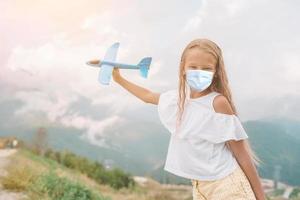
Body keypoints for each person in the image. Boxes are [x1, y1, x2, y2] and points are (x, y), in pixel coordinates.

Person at [89, 38, 266, 200]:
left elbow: (242, 154)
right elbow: (147, 96)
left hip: (227, 186)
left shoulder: (218, 103)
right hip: (200, 188)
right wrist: (118, 78)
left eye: (207, 69)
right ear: (183, 68)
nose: (199, 73)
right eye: (193, 67)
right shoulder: (178, 100)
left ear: (216, 72)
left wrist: (260, 197)